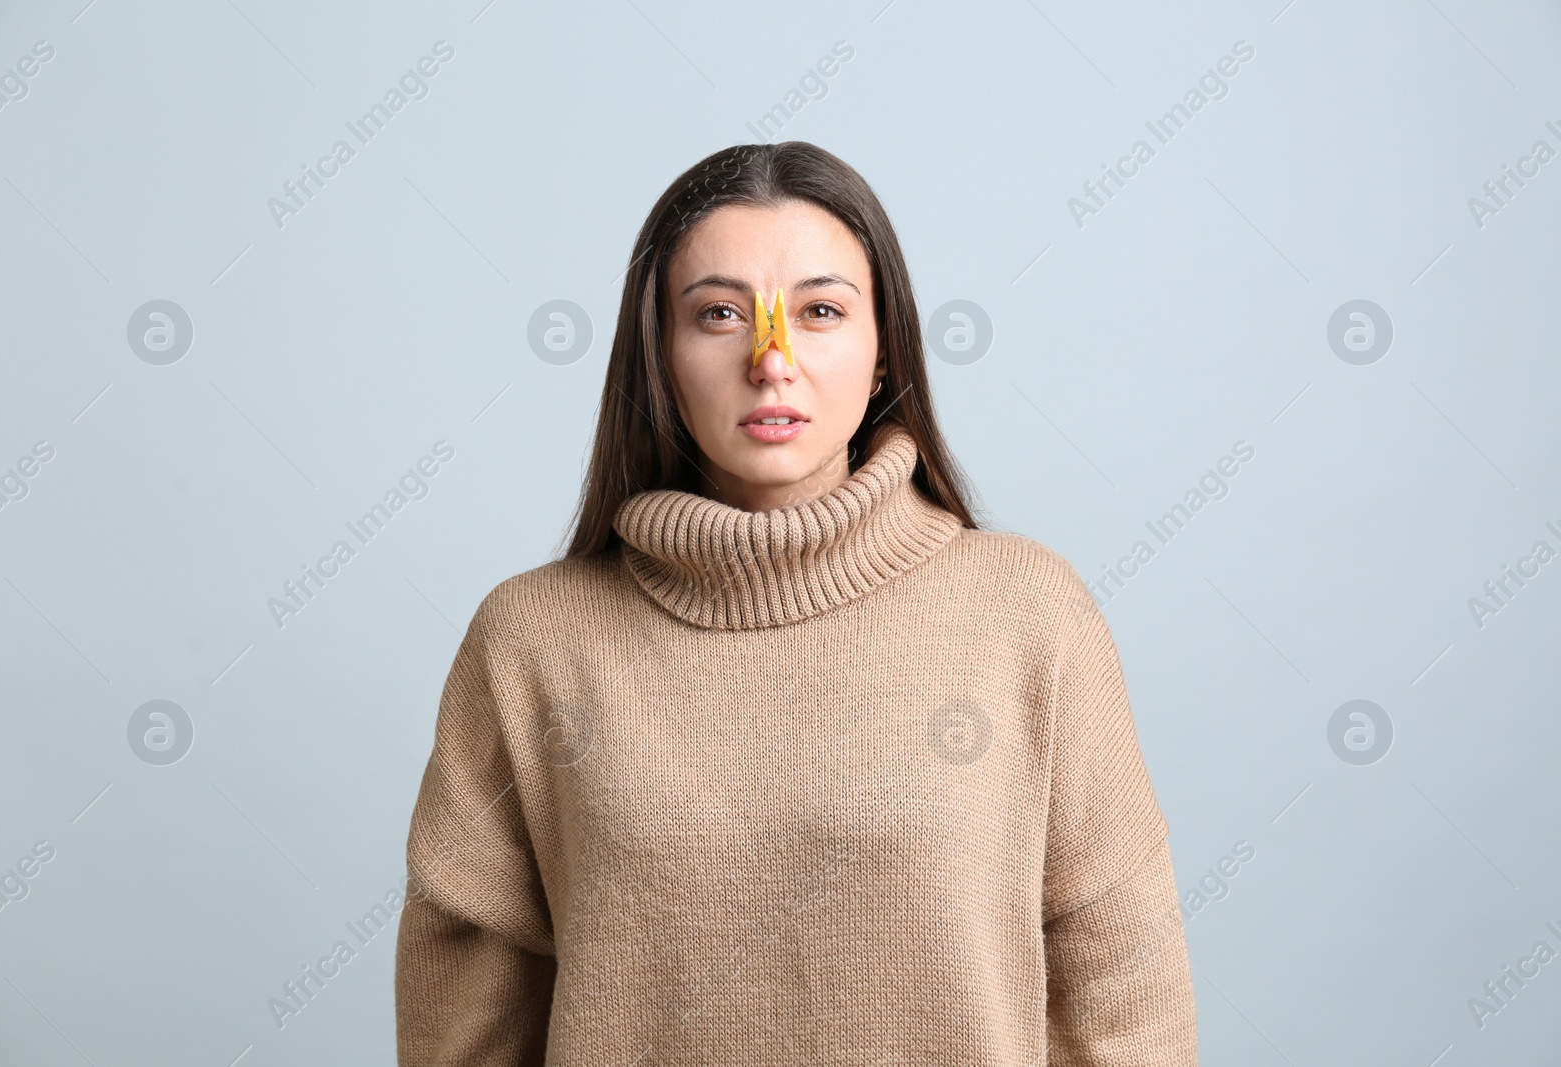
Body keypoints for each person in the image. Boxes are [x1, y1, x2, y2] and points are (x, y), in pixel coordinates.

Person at [394, 140, 1198, 1065]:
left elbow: (1123, 998)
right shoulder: (531, 642)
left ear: (885, 339)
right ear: (658, 349)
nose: (771, 360)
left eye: (819, 311)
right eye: (719, 314)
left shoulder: (1027, 614)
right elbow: (464, 1019)